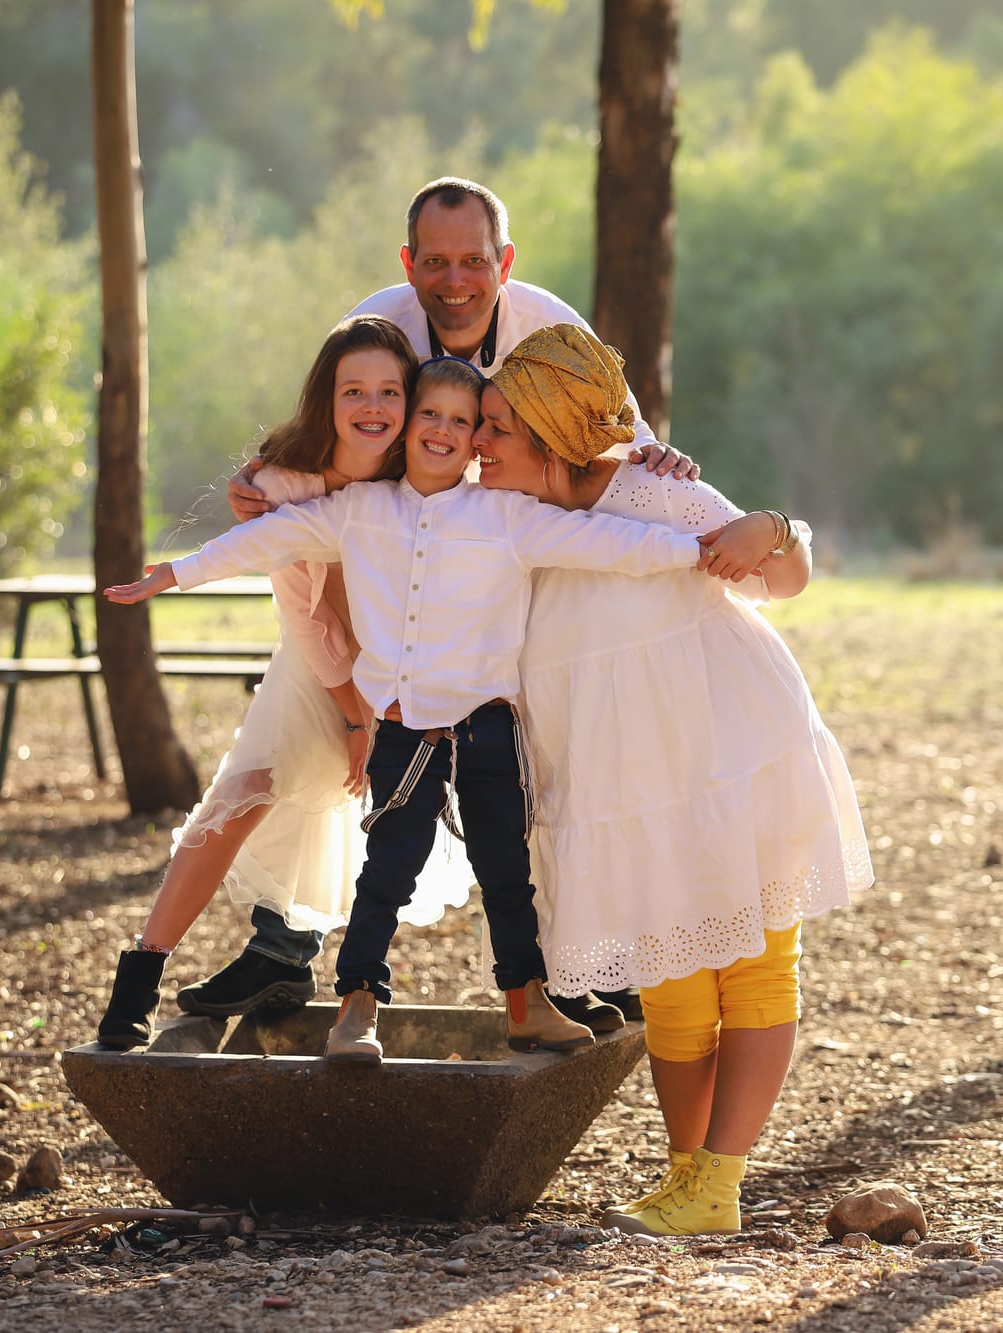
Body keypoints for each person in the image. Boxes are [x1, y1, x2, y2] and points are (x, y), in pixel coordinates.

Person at [104, 356, 720, 1066]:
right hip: (406, 729)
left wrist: (700, 550)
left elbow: (612, 545)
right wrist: (178, 572)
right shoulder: (360, 512)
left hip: (488, 729)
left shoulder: (508, 516)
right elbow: (267, 538)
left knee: (507, 874)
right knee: (387, 872)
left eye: (462, 421)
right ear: (406, 425)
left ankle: (528, 1005)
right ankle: (356, 1008)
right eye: (430, 412)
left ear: (476, 438)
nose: (443, 429)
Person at [202, 175, 691, 1025]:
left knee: (552, 757)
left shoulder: (552, 332)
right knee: (300, 725)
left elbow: (623, 446)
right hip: (386, 570)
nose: (455, 280)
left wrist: (664, 466)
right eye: (436, 261)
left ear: (505, 262)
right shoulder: (376, 328)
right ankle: (281, 946)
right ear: (409, 263)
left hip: (514, 571)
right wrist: (270, 483)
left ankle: (588, 961)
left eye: (474, 261)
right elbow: (322, 460)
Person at [477, 324, 874, 1235]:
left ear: (550, 436)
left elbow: (784, 578)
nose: (478, 442)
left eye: (497, 427)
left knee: (756, 970)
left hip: (732, 759)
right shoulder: (500, 515)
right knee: (670, 981)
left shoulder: (656, 492)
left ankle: (721, 1180)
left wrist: (772, 527)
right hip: (621, 788)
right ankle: (689, 1176)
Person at [93, 316, 467, 1049]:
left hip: (401, 667)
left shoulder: (422, 471)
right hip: (314, 665)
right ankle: (140, 974)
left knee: (339, 809)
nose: (372, 407)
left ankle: (282, 956)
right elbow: (306, 615)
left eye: (390, 391)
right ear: (327, 398)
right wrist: (353, 716)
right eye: (353, 391)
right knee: (246, 793)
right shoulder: (283, 487)